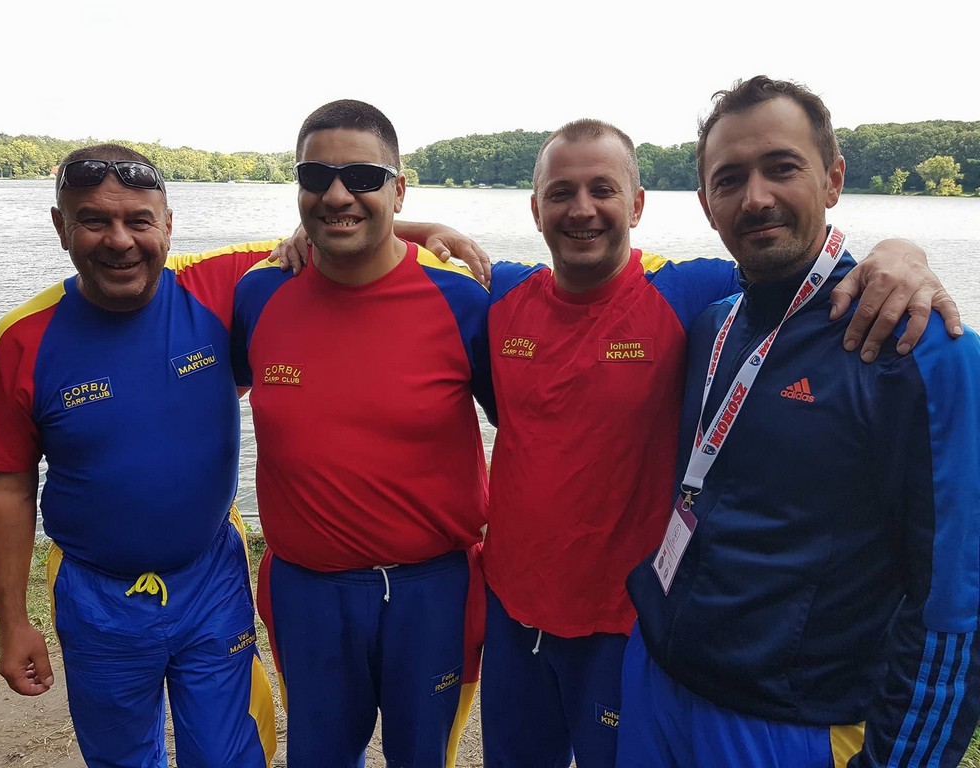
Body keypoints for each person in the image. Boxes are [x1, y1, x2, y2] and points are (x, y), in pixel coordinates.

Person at [275, 119, 961, 766]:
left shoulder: (689, 294)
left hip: (625, 622)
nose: (582, 210)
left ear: (636, 204)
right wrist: (385, 226)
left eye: (602, 190)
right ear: (535, 210)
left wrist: (899, 254)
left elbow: (797, 264)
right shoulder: (501, 295)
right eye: (560, 193)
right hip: (513, 611)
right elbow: (393, 253)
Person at [619, 75, 980, 768]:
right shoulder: (714, 323)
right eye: (729, 179)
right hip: (659, 677)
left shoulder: (917, 348)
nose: (755, 197)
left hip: (787, 720)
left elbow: (954, 600)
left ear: (833, 179)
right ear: (707, 205)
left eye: (781, 168)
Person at [0, 145, 277, 768]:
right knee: (120, 758)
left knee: (229, 756)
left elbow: (331, 229)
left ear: (168, 225)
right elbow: (8, 484)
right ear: (61, 227)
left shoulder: (218, 287)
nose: (119, 241)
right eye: (93, 221)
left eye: (138, 220)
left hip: (211, 579)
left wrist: (422, 230)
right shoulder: (24, 337)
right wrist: (12, 621)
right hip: (96, 594)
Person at [231, 99, 494, 767]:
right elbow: (137, 261)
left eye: (363, 177)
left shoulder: (462, 299)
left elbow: (529, 424)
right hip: (308, 592)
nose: (337, 193)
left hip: (433, 592)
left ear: (398, 189)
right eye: (316, 176)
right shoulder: (259, 292)